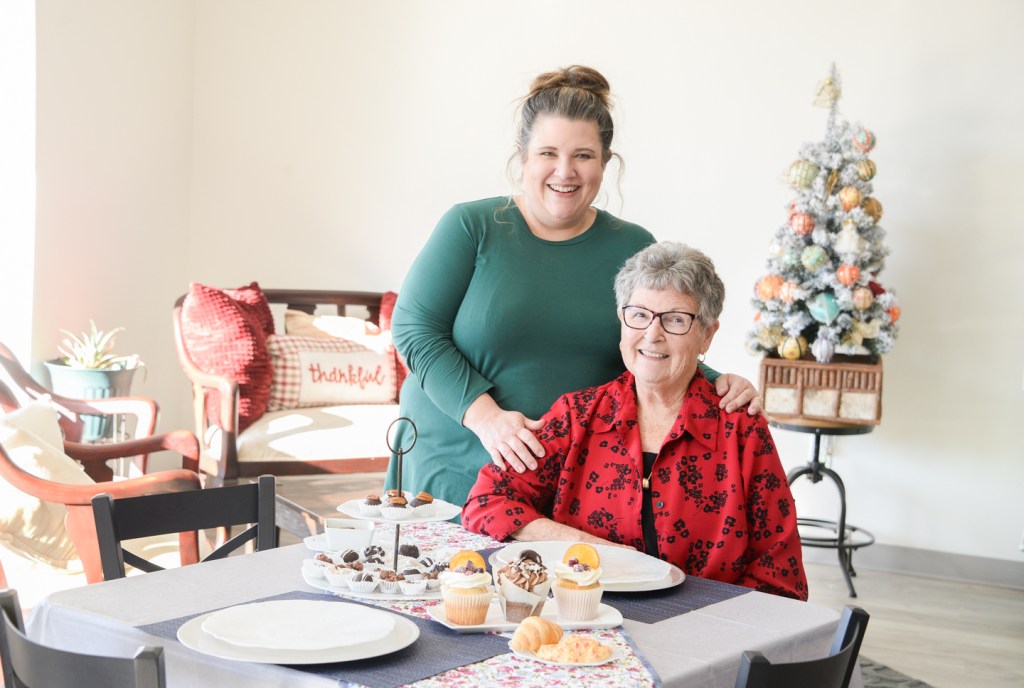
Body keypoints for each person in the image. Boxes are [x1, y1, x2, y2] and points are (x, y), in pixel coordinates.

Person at [387, 66, 762, 510]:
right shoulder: (471, 226)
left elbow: (652, 340)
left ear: (605, 162)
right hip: (457, 451)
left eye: (583, 155)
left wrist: (721, 383)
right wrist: (487, 419)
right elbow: (414, 329)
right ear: (522, 156)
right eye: (548, 152)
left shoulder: (633, 245)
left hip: (575, 470)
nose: (565, 172)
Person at [462, 242, 807, 600]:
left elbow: (781, 579)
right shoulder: (577, 416)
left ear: (707, 334)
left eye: (675, 319)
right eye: (639, 315)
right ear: (621, 321)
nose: (652, 334)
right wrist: (592, 548)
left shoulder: (742, 431)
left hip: (703, 633)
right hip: (582, 624)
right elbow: (486, 502)